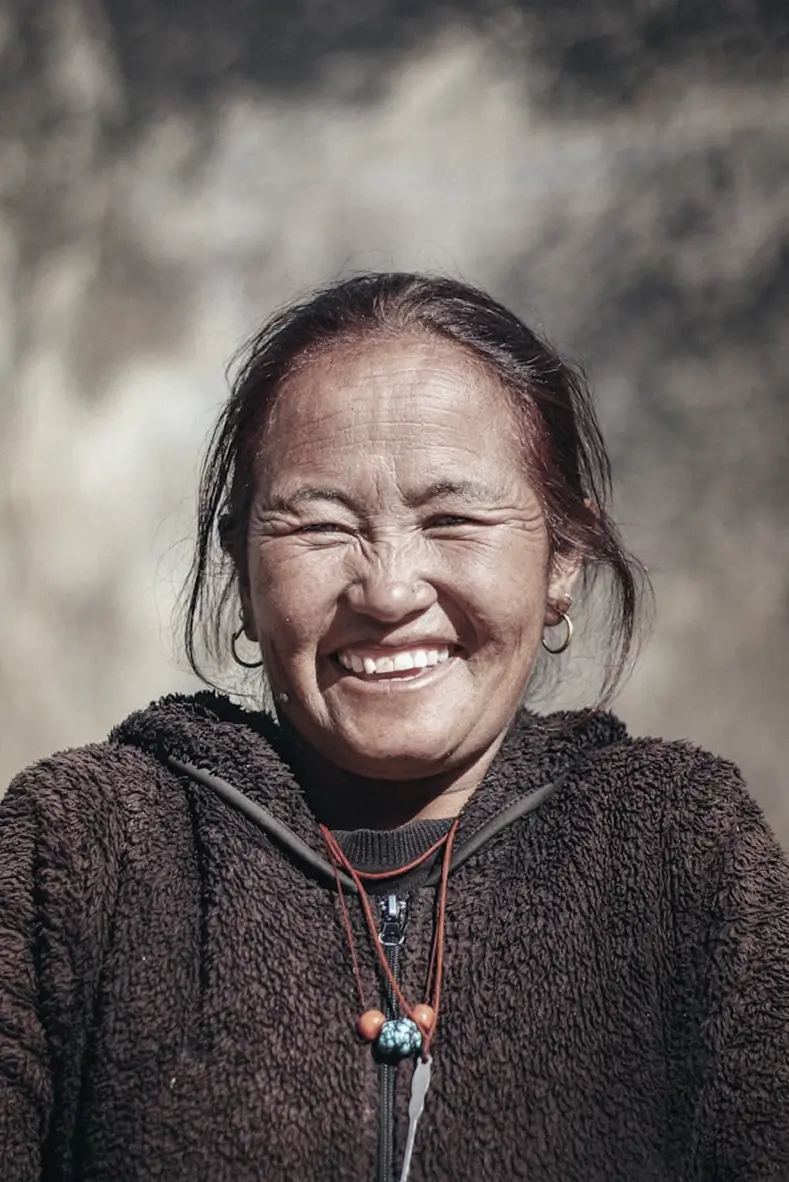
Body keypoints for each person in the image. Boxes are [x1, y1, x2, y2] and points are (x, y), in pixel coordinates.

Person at [1, 273, 788, 1182]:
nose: (387, 590)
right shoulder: (88, 848)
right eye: (320, 526)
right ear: (242, 570)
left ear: (562, 559)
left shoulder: (674, 850)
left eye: (451, 519)